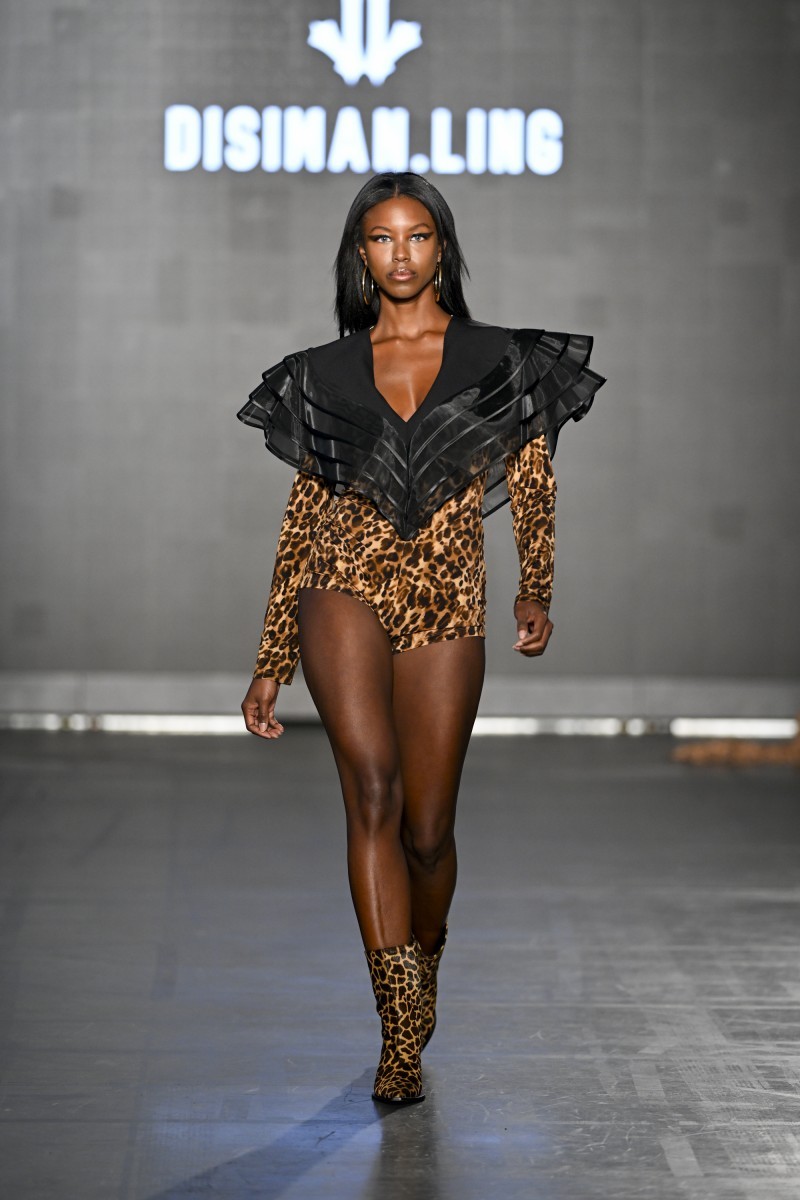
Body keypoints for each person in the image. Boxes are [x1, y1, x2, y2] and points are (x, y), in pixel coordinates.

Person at [238, 172, 605, 1106]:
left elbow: (533, 478)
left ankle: (423, 959)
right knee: (371, 788)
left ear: (442, 248)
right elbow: (303, 514)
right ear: (360, 255)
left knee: (429, 833)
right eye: (380, 238)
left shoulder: (501, 358)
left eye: (416, 236)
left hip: (447, 594)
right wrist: (271, 657)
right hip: (341, 582)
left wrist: (536, 588)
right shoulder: (320, 372)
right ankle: (398, 1029)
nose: (399, 254)